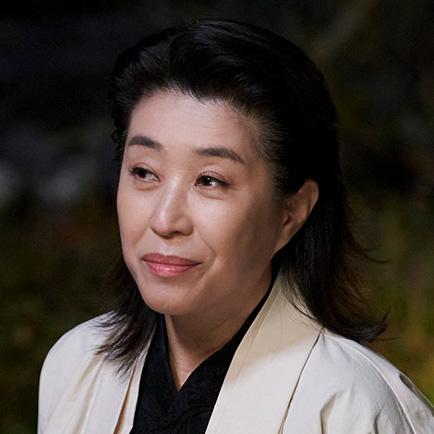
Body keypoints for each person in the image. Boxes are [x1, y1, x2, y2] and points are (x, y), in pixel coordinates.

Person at [38, 19, 434, 433]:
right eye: (144, 172)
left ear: (291, 212)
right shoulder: (77, 364)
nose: (164, 220)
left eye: (210, 180)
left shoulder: (351, 405)